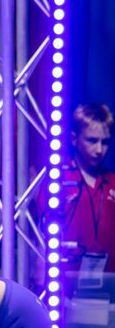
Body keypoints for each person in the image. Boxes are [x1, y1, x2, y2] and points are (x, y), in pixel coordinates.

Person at [39, 103, 115, 269]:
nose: (99, 149)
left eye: (105, 142)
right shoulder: (58, 181)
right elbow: (39, 235)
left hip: (110, 282)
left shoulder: (113, 182)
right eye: (92, 140)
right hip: (66, 283)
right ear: (74, 139)